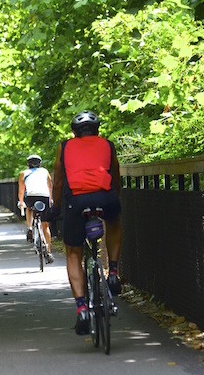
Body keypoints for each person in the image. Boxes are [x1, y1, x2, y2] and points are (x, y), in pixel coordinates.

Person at [50, 110, 123, 335]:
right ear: (97, 129)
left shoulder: (65, 147)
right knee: (114, 222)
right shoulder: (108, 145)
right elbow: (116, 175)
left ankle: (82, 307)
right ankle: (113, 271)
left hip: (77, 201)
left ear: (74, 132)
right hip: (105, 196)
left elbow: (59, 180)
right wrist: (114, 198)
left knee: (73, 253)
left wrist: (55, 207)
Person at [17, 154, 55, 264]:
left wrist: (21, 202)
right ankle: (48, 251)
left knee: (29, 208)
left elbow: (21, 190)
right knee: (45, 225)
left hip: (31, 197)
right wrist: (51, 199)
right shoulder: (45, 172)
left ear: (28, 164)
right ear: (40, 164)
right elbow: (50, 186)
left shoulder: (24, 173)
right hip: (44, 197)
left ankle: (29, 227)